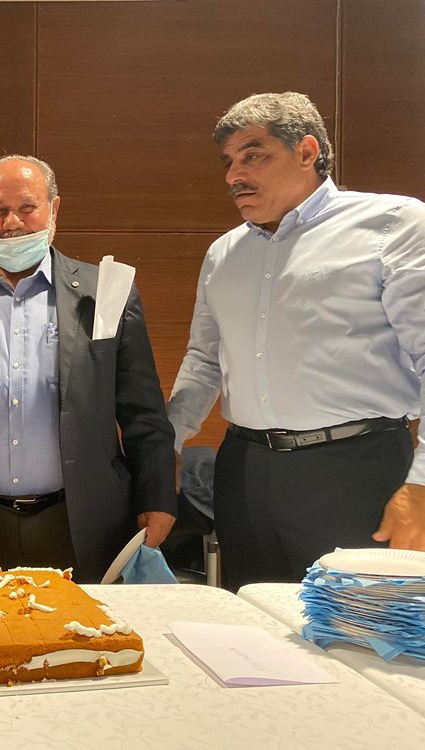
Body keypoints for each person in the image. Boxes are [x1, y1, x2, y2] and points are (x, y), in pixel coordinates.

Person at [167, 92, 425, 591]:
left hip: (356, 469)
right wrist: (170, 441)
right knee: (254, 619)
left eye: (253, 155)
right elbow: (204, 360)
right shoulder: (223, 253)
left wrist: (422, 483)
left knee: (356, 624)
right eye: (228, 162)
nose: (234, 176)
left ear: (307, 152)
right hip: (245, 471)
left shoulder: (393, 224)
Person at [0, 155, 177, 582]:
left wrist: (156, 496)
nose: (12, 223)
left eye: (27, 207)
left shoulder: (105, 294)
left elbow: (143, 411)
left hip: (81, 522)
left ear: (54, 208)